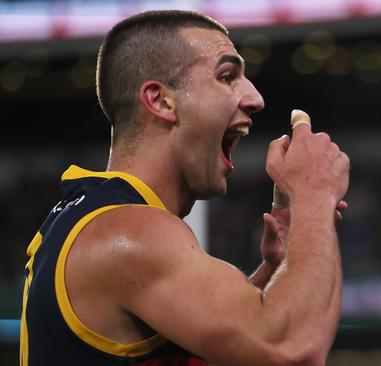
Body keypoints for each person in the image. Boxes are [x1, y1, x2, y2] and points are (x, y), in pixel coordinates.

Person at [19, 10, 350, 366]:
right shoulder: (131, 234)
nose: (255, 98)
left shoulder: (95, 218)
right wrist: (315, 191)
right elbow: (291, 349)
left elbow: (224, 342)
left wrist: (278, 273)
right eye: (227, 76)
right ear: (160, 101)